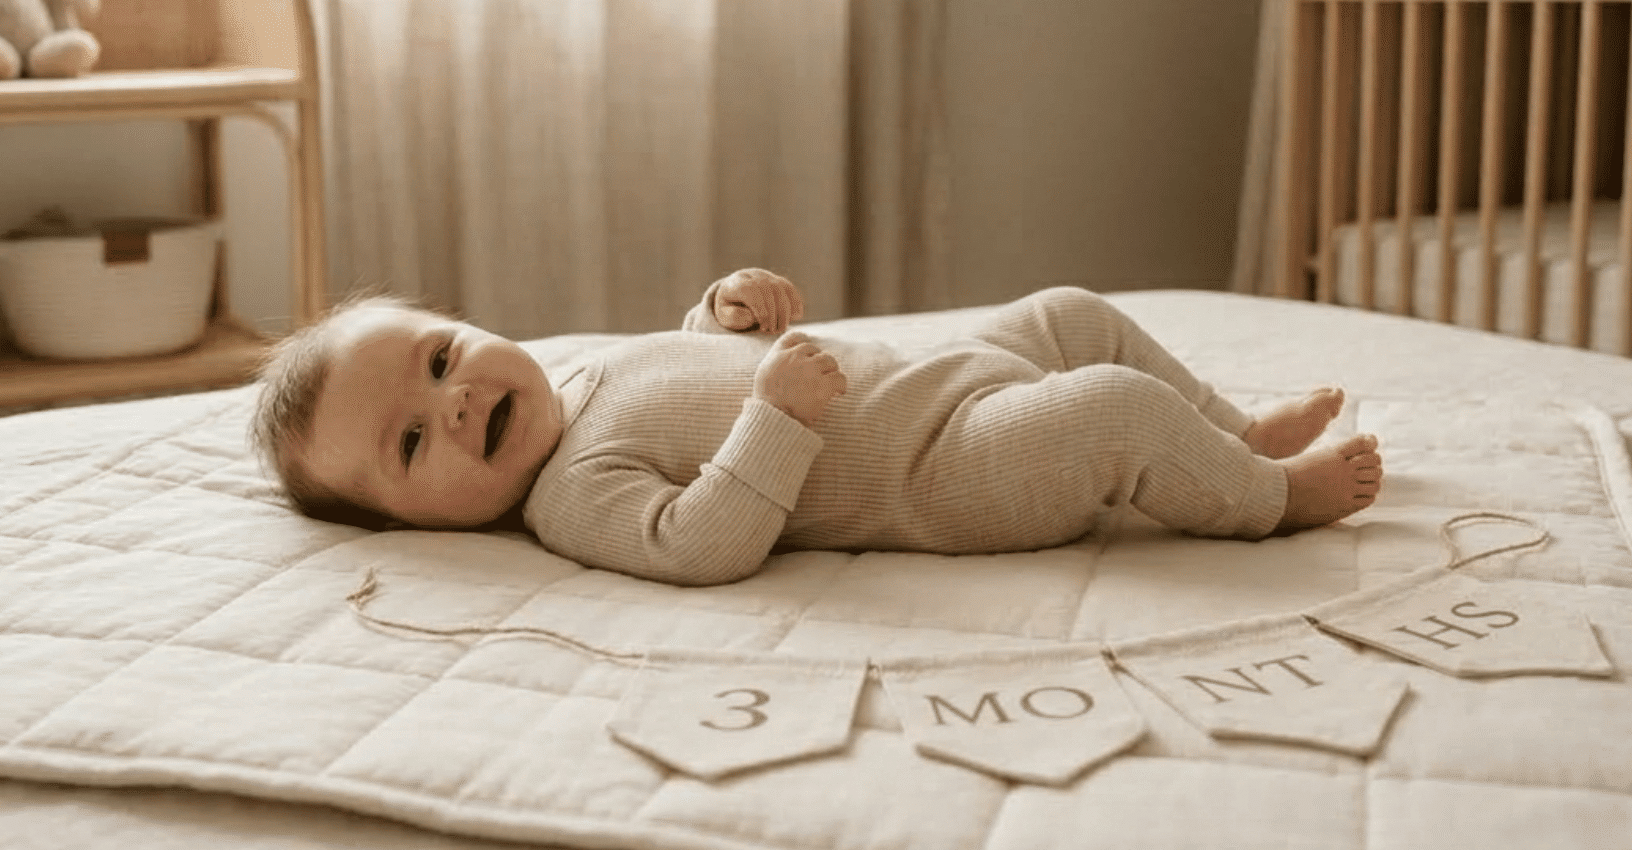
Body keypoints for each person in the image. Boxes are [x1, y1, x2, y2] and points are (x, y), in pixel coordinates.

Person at [251, 271, 1383, 586]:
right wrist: (771, 419)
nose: (452, 398)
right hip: (941, 466)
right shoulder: (567, 498)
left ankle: (1233, 429)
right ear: (413, 522)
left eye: (441, 356)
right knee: (1111, 411)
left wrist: (721, 314)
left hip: (938, 374)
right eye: (410, 443)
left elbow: (682, 362)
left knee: (1067, 312)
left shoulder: (580, 374)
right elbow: (697, 543)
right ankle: (1272, 499)